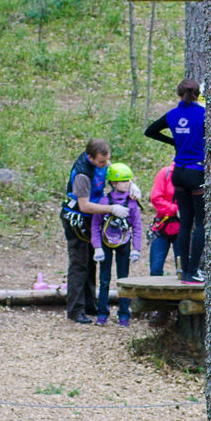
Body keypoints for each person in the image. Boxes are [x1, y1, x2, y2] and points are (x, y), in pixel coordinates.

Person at [145, 80, 207, 284]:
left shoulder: (172, 115)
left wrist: (174, 142)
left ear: (179, 94)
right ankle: (193, 271)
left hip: (177, 172)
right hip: (196, 171)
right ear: (198, 94)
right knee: (200, 223)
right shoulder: (204, 114)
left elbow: (150, 131)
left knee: (185, 223)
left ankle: (183, 271)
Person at [63, 138, 127, 321]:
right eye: (101, 162)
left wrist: (131, 184)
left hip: (92, 220)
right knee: (79, 264)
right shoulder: (83, 174)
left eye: (106, 160)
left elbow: (114, 170)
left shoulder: (103, 162)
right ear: (90, 157)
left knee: (92, 262)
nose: (105, 165)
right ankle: (75, 310)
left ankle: (90, 304)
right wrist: (111, 208)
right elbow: (84, 206)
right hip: (77, 220)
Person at [93, 163, 145, 326]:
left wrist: (136, 248)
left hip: (124, 242)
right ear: (113, 183)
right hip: (106, 242)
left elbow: (137, 226)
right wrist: (97, 247)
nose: (127, 184)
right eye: (123, 181)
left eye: (128, 180)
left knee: (124, 279)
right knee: (104, 279)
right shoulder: (104, 201)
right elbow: (96, 224)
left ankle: (124, 313)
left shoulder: (132, 202)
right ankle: (102, 313)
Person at [147, 162, 181, 277]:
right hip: (162, 226)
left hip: (182, 228)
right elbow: (156, 198)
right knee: (155, 269)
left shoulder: (190, 174)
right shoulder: (165, 173)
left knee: (182, 269)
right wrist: (174, 210)